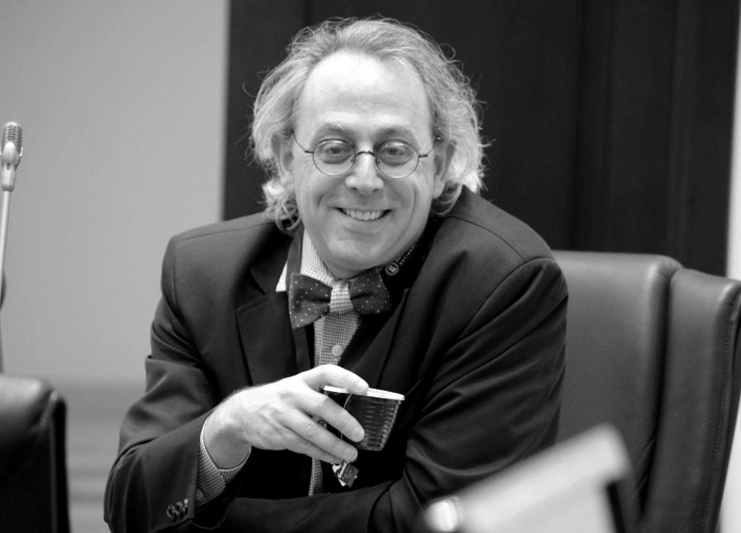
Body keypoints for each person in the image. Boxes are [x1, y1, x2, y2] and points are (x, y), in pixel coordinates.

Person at [104, 17, 567, 533]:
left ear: (439, 165)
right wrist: (225, 428)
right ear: (286, 158)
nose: (365, 179)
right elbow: (133, 505)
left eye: (394, 150)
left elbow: (442, 521)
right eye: (334, 148)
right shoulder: (200, 276)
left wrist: (217, 523)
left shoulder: (502, 282)